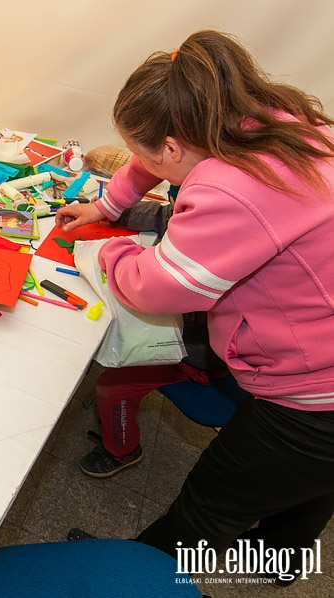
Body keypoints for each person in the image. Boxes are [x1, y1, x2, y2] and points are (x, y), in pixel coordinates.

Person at [56, 30, 334, 583]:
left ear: (175, 145)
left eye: (145, 151)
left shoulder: (235, 187)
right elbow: (155, 160)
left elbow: (159, 289)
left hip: (315, 397)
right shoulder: (269, 120)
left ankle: (128, 578)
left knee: (205, 509)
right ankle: (286, 562)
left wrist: (109, 248)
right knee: (312, 484)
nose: (140, 161)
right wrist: (107, 203)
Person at [78, 186, 230, 478]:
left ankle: (122, 451)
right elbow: (166, 216)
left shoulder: (220, 244)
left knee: (111, 388)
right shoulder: (204, 204)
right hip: (191, 334)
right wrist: (107, 212)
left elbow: (158, 292)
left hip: (197, 355)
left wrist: (114, 252)